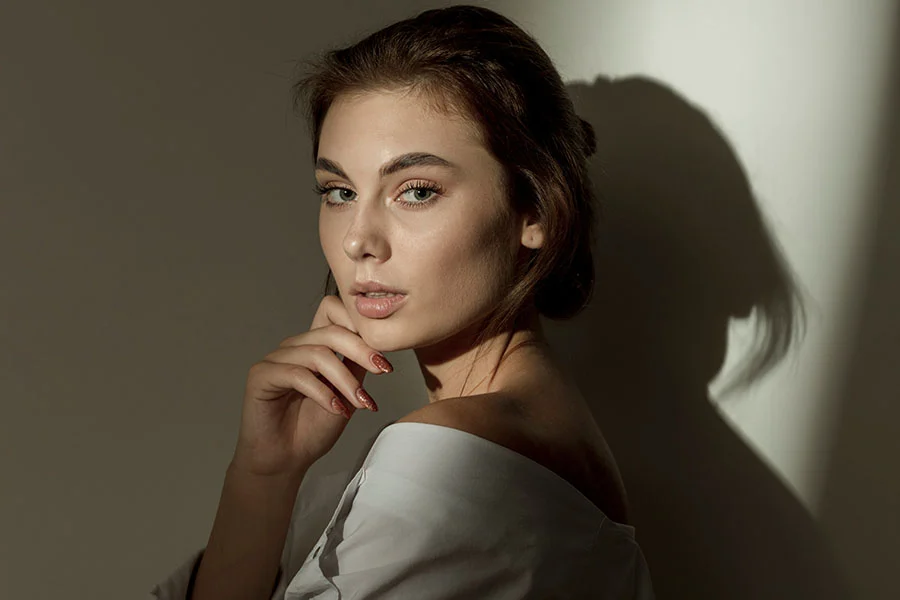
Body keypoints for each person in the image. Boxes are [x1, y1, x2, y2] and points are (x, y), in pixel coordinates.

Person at [150, 5, 655, 599]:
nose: (357, 240)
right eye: (339, 192)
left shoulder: (449, 460)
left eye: (415, 191)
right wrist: (267, 470)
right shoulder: (542, 438)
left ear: (536, 209)